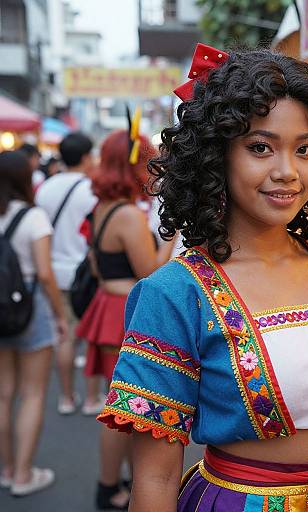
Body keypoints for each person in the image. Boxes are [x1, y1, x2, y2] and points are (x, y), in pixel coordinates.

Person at [98, 45, 308, 511]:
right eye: (260, 147)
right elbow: (157, 478)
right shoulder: (176, 294)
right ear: (216, 156)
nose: (287, 172)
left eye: (305, 149)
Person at [76, 129, 174, 510]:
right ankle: (110, 487)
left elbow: (99, 265)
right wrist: (173, 234)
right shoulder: (129, 215)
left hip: (107, 305)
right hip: (122, 313)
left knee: (115, 404)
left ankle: (115, 483)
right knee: (121, 409)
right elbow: (150, 270)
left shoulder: (103, 207)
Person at [0, 151, 68, 496]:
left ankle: (7, 468)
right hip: (29, 308)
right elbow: (44, 273)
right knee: (32, 393)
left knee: (3, 394)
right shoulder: (33, 218)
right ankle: (24, 475)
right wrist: (59, 315)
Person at [36, 132, 101, 415]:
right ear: (86, 157)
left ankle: (65, 396)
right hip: (85, 273)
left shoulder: (45, 188)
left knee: (65, 335)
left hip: (53, 270)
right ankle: (91, 398)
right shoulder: (91, 189)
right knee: (92, 337)